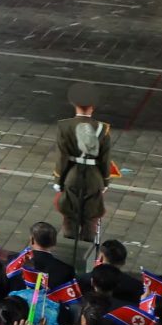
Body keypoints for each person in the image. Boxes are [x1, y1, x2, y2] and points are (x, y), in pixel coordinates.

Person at [55, 85, 115, 269]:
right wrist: (105, 181)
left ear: (73, 104)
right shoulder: (103, 129)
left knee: (70, 215)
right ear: (93, 107)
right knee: (91, 218)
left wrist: (59, 180)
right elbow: (105, 159)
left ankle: (67, 259)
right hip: (94, 177)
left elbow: (62, 157)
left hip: (72, 176)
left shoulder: (64, 126)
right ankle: (87, 261)